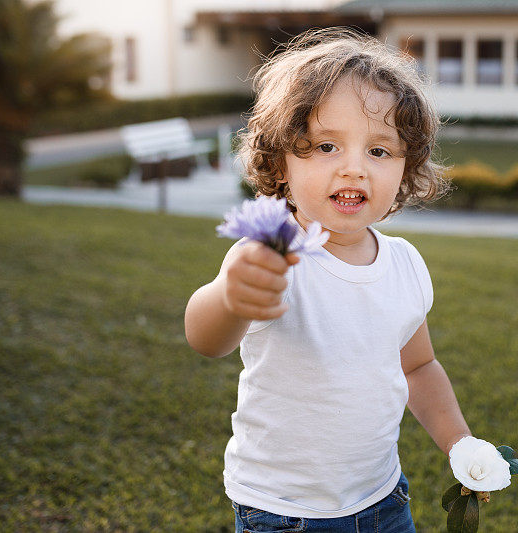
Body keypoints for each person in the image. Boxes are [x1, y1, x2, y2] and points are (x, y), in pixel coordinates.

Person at [184, 27, 484, 532]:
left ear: (407, 170)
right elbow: (205, 338)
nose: (354, 169)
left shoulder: (405, 264)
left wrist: (461, 443)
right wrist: (231, 297)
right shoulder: (271, 254)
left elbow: (418, 367)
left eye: (380, 151)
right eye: (326, 145)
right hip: (283, 511)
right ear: (280, 162)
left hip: (384, 498)